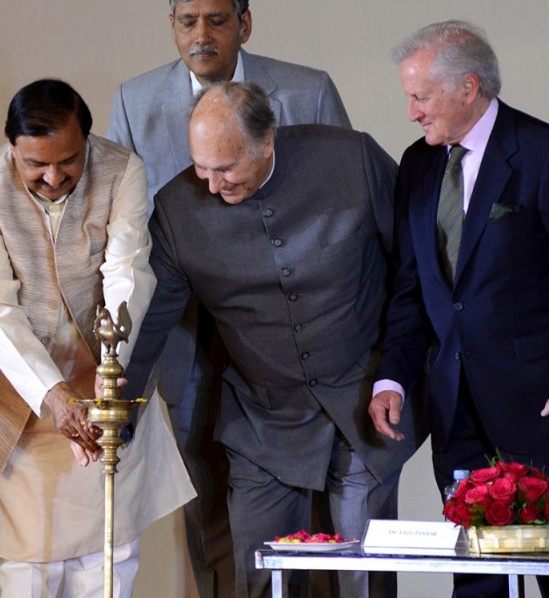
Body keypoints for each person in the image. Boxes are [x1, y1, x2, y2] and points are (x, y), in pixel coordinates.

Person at [107, 0, 351, 598]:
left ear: (245, 22)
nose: (201, 36)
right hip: (188, 329)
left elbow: (345, 206)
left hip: (293, 327)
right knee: (208, 483)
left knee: (320, 478)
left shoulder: (307, 91)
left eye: (216, 20)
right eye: (186, 22)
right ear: (171, 24)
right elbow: (124, 229)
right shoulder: (135, 101)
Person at [128, 82, 425, 598]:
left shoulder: (351, 160)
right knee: (258, 574)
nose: (213, 185)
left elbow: (415, 272)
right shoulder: (177, 209)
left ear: (267, 143)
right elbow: (150, 321)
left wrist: (402, 374)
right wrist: (117, 405)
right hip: (262, 419)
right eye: (202, 168)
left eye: (226, 168)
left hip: (363, 407)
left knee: (361, 579)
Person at [369, 20, 549, 598]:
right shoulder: (419, 164)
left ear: (468, 86)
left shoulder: (546, 155)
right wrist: (393, 376)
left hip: (545, 408)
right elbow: (414, 287)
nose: (411, 112)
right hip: (455, 407)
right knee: (477, 576)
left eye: (421, 96)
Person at [0, 79, 194, 597]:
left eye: (68, 160)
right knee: (27, 569)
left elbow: (128, 272)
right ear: (11, 146)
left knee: (110, 558)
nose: (54, 176)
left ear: (86, 139)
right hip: (22, 397)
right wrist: (53, 395)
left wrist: (109, 375)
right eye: (36, 164)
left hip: (108, 377)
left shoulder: (121, 169)